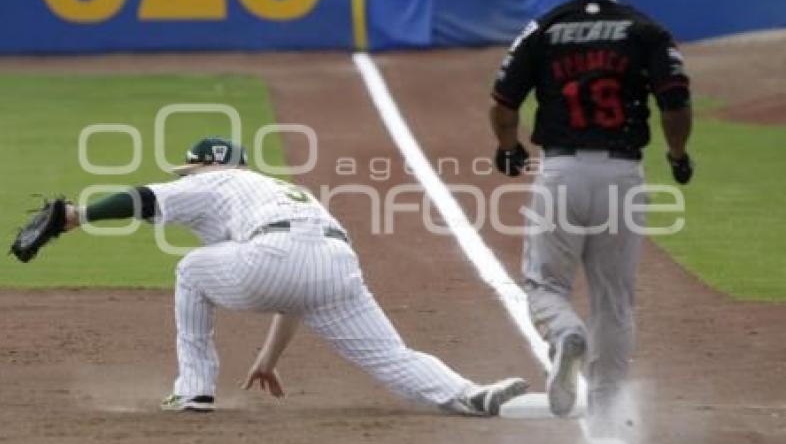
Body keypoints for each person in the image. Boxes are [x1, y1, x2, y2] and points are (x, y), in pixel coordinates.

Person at [57, 137, 528, 414]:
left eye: (192, 170)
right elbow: (294, 284)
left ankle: (194, 388)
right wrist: (267, 357)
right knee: (392, 356)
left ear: (214, 165)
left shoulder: (220, 178)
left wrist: (79, 216)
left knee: (190, 271)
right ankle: (470, 395)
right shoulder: (280, 188)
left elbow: (140, 197)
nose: (187, 179)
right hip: (336, 264)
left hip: (276, 252)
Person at [488, 0, 693, 433]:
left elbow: (503, 102)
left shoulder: (544, 28)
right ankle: (606, 413)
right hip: (623, 174)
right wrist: (677, 153)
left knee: (544, 284)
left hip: (562, 172)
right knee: (615, 300)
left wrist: (509, 147)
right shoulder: (646, 31)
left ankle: (564, 333)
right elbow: (676, 102)